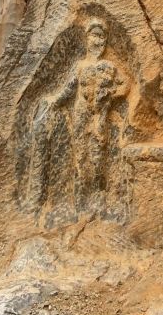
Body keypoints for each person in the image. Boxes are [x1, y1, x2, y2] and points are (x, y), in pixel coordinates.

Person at [28, 18, 129, 210]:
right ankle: (82, 200)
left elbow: (125, 84)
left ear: (106, 40)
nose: (97, 41)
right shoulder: (80, 66)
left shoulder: (109, 66)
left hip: (99, 115)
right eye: (94, 36)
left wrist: (110, 96)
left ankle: (99, 197)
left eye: (101, 36)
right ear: (87, 38)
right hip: (80, 115)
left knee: (97, 155)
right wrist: (54, 101)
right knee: (80, 157)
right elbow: (68, 89)